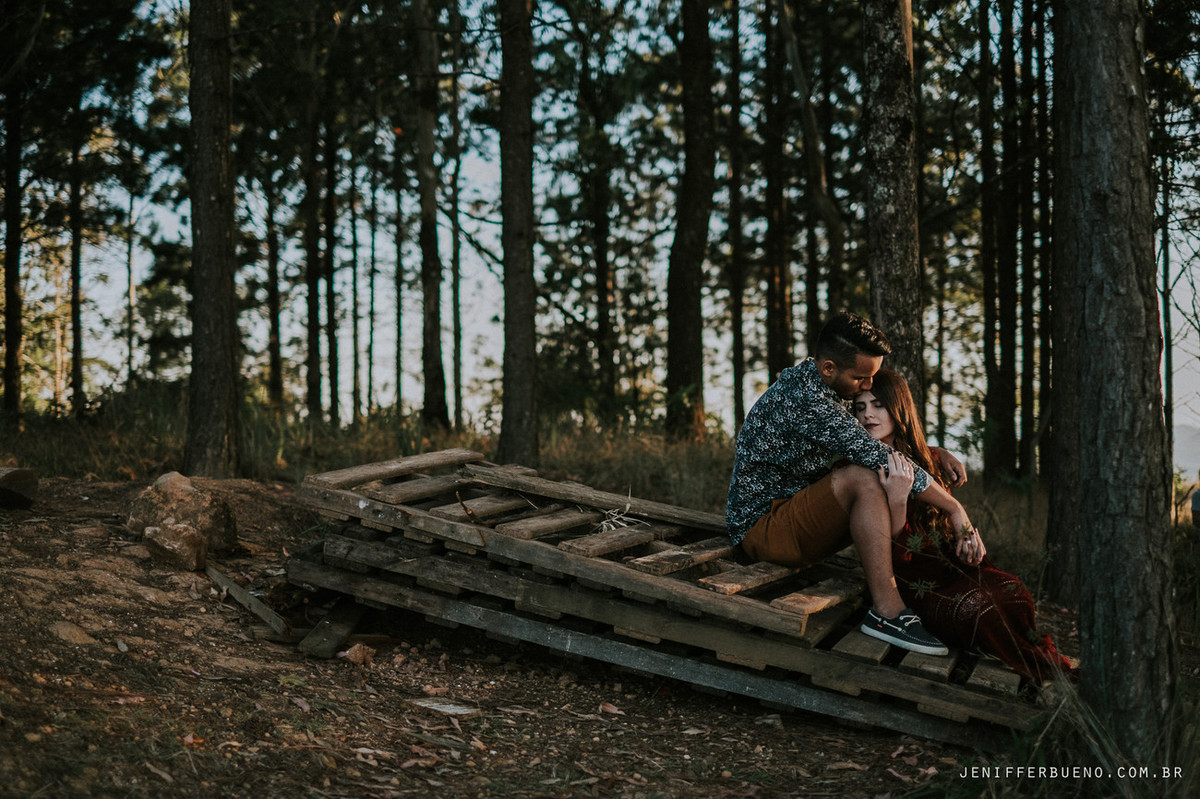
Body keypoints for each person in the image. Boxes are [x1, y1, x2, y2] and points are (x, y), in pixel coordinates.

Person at [726, 311, 975, 656]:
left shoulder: (820, 381)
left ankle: (917, 593)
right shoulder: (809, 401)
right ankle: (887, 613)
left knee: (874, 472)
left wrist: (934, 452)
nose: (869, 385)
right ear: (829, 368)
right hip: (762, 531)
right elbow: (876, 455)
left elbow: (866, 442)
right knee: (864, 475)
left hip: (791, 515)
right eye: (862, 377)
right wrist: (954, 507)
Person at [853, 368, 1076, 681]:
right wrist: (899, 500)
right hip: (913, 589)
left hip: (949, 571)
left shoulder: (925, 460)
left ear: (898, 408)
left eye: (878, 405)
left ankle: (1033, 656)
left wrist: (967, 548)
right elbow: (894, 558)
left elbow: (943, 532)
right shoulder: (863, 470)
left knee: (1014, 592)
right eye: (860, 407)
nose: (868, 415)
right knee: (981, 610)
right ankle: (1047, 671)